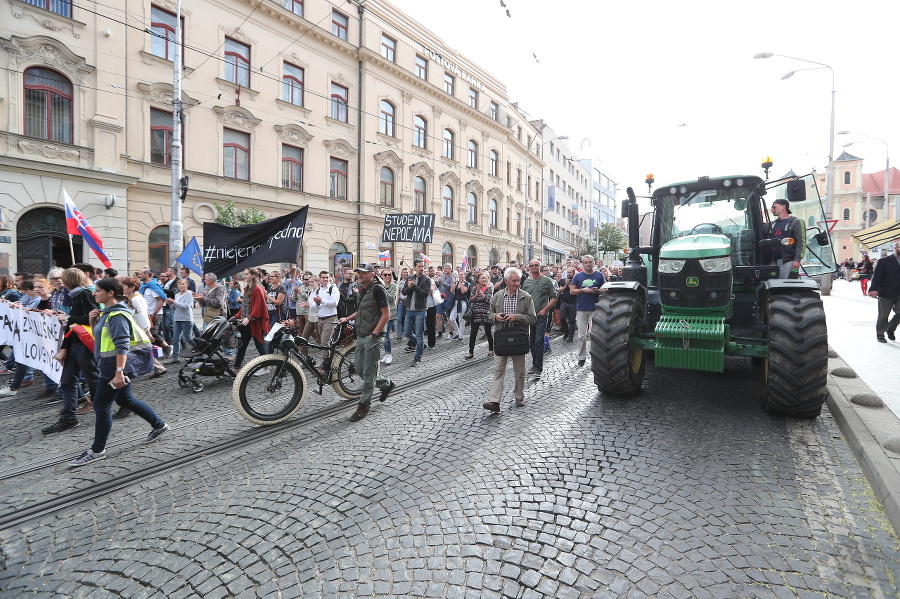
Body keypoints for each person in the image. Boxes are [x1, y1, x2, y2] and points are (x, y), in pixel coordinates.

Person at [69, 277, 170, 466]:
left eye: (98, 290)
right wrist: (93, 321)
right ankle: (159, 425)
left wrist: (118, 372)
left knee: (101, 406)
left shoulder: (117, 316)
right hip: (110, 365)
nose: (93, 293)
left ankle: (97, 450)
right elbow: (103, 338)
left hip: (112, 367)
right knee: (125, 400)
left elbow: (122, 345)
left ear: (110, 293)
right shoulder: (107, 313)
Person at [42, 268, 99, 433]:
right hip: (74, 343)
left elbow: (90, 319)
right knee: (67, 381)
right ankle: (69, 418)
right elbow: (72, 326)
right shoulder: (75, 295)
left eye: (63, 279)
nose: (60, 282)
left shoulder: (85, 294)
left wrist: (67, 318)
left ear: (69, 281)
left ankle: (110, 408)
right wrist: (64, 348)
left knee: (93, 379)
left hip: (84, 344)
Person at [339, 264, 395, 422]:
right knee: (359, 369)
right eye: (358, 272)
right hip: (362, 334)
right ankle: (386, 384)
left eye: (363, 273)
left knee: (369, 374)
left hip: (373, 337)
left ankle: (363, 406)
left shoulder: (378, 289)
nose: (359, 275)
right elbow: (363, 310)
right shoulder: (361, 288)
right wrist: (348, 318)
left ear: (371, 274)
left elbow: (386, 314)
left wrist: (374, 334)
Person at [482, 267, 536, 412]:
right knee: (499, 370)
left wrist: (516, 317)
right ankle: (494, 402)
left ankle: (519, 396)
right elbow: (489, 313)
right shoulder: (498, 296)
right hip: (501, 338)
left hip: (519, 338)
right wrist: (495, 317)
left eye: (518, 280)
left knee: (520, 371)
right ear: (506, 281)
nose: (517, 283)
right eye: (514, 281)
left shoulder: (526, 297)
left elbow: (532, 318)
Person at [521, 260, 557, 380]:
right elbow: (523, 298)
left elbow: (554, 297)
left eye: (537, 265)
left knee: (538, 341)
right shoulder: (527, 281)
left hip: (541, 315)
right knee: (531, 342)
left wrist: (545, 309)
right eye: (532, 265)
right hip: (530, 316)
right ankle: (534, 364)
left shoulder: (546, 281)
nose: (534, 267)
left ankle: (538, 368)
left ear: (539, 267)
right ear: (529, 267)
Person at [570, 255, 605, 367]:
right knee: (581, 336)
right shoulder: (578, 276)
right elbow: (572, 291)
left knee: (594, 335)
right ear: (583, 264)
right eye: (586, 262)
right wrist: (583, 290)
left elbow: (606, 289)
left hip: (596, 309)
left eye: (590, 262)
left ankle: (595, 357)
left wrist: (598, 291)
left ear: (593, 263)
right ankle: (582, 357)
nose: (588, 264)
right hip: (581, 309)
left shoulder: (599, 275)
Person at [233, 268, 271, 369]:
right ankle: (236, 367)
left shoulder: (257, 289)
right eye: (244, 274)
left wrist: (249, 317)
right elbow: (245, 306)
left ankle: (267, 366)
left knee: (259, 345)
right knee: (242, 346)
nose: (245, 276)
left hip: (254, 323)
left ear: (253, 275)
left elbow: (259, 307)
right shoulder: (247, 288)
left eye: (247, 274)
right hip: (246, 322)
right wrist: (236, 316)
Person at [399, 260, 431, 367]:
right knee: (407, 333)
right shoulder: (409, 278)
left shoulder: (426, 280)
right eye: (419, 266)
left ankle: (417, 358)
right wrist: (408, 287)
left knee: (419, 335)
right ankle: (421, 345)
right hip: (409, 310)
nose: (421, 268)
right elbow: (403, 292)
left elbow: (425, 294)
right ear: (415, 267)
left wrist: (414, 287)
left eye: (422, 266)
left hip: (420, 311)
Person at [868, 241, 900, 343]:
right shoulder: (884, 261)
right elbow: (877, 276)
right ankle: (880, 335)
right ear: (895, 248)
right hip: (886, 292)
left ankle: (890, 329)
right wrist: (873, 289)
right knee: (883, 315)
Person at [768, 199, 805, 279]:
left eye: (774, 207)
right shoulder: (772, 224)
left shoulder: (796, 222)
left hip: (787, 261)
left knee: (785, 285)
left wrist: (797, 260)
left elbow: (801, 242)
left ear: (783, 207)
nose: (772, 210)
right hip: (773, 261)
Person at [165, 278, 195, 363]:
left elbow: (186, 306)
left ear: (187, 285)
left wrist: (173, 302)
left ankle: (200, 350)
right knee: (175, 339)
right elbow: (174, 308)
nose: (181, 286)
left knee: (188, 338)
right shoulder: (177, 295)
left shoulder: (189, 293)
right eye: (179, 284)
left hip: (186, 319)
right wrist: (170, 303)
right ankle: (175, 357)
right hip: (177, 318)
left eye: (183, 284)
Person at [312, 271, 340, 359]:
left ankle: (323, 363)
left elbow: (335, 303)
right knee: (324, 341)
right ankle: (330, 359)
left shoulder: (333, 288)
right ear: (319, 279)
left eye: (327, 277)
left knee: (324, 342)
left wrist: (321, 301)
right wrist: (317, 303)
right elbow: (316, 307)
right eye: (323, 277)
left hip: (330, 318)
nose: (325, 279)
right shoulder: (318, 290)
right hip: (320, 318)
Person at [465, 272, 494, 359]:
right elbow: (471, 300)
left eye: (485, 278)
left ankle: (491, 349)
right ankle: (470, 352)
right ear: (478, 280)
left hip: (486, 312)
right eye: (482, 278)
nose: (484, 280)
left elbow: (489, 300)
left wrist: (480, 293)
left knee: (488, 332)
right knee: (473, 333)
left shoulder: (489, 288)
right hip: (476, 312)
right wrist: (477, 293)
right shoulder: (474, 288)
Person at [379, 269, 398, 365]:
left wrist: (382, 290)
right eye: (385, 275)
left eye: (389, 275)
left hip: (390, 313)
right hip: (380, 313)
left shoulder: (393, 286)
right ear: (381, 276)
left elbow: (391, 298)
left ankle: (389, 354)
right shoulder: (378, 286)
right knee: (381, 335)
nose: (387, 276)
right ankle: (385, 354)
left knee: (386, 335)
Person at [557, 267, 578, 341]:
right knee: (562, 318)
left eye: (570, 272)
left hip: (573, 303)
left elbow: (574, 290)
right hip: (564, 302)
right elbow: (560, 290)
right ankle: (566, 331)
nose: (569, 274)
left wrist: (569, 284)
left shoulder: (576, 281)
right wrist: (566, 285)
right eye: (568, 272)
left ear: (573, 273)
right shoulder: (563, 280)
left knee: (572, 320)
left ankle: (571, 336)